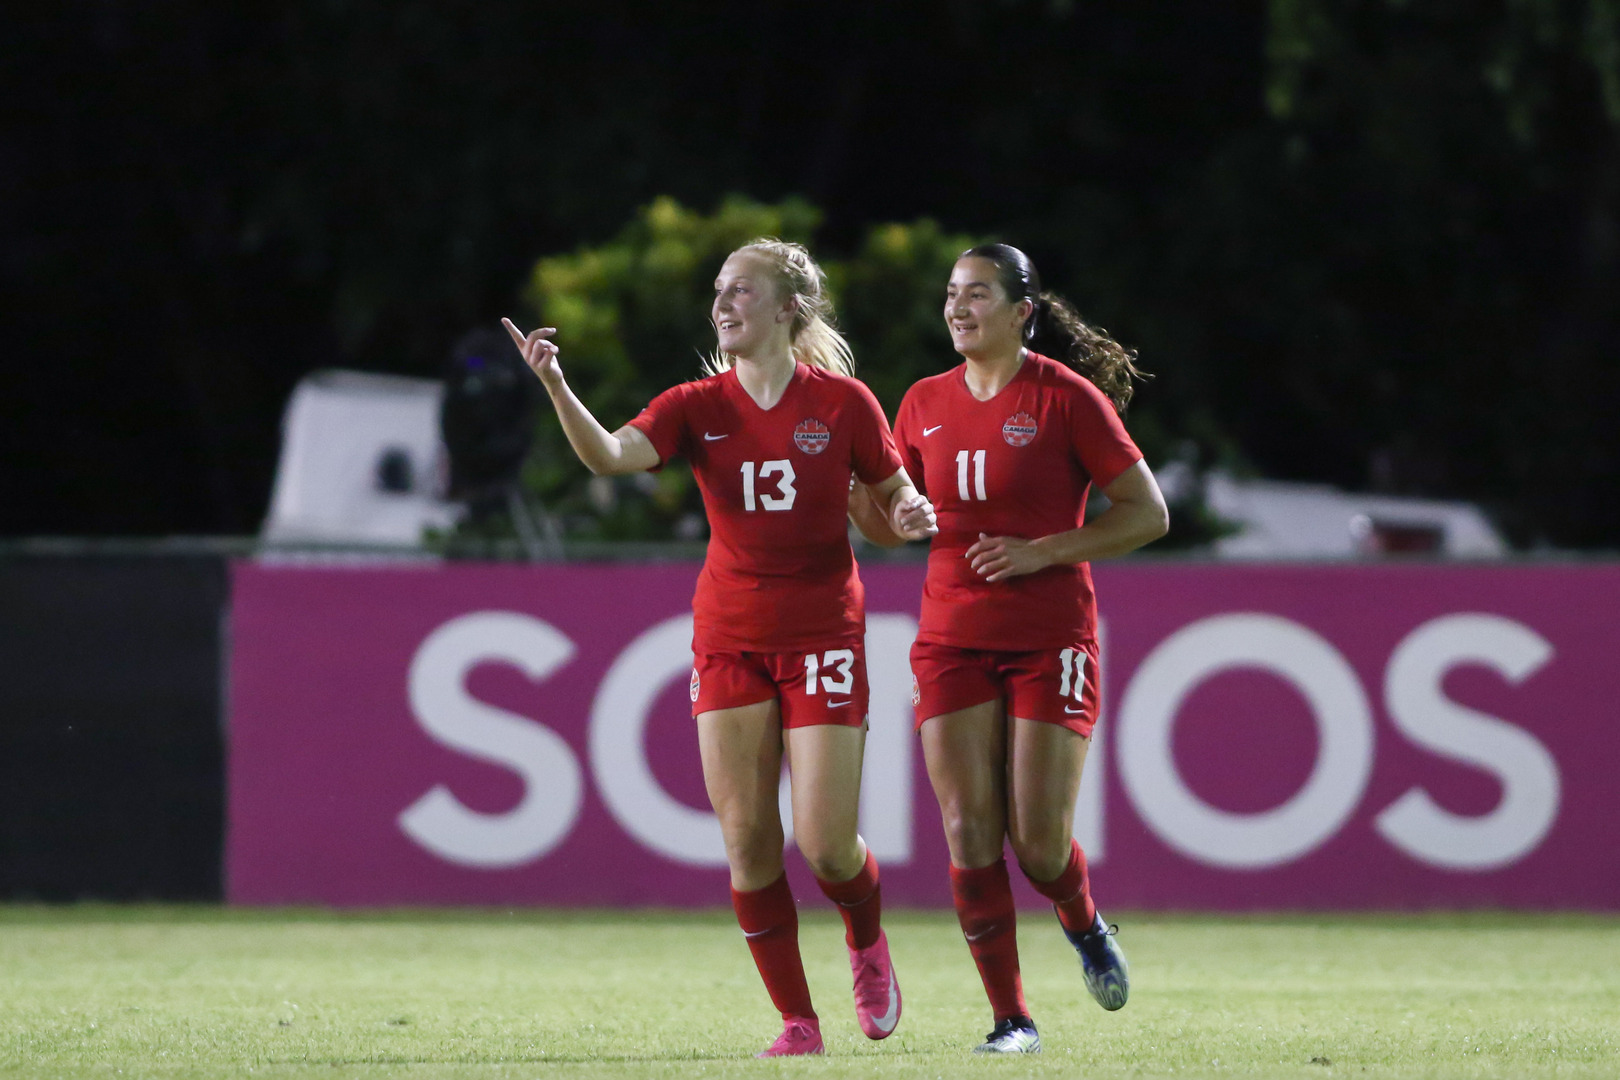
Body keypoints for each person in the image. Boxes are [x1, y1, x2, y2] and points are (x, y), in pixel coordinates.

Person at [503, 238, 936, 1058]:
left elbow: (892, 491)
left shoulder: (843, 403)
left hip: (822, 636)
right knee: (746, 840)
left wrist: (912, 511)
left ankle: (867, 943)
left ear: (787, 309)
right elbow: (609, 454)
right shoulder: (694, 405)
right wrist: (557, 386)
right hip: (730, 638)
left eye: (743, 290)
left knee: (827, 844)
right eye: (719, 290)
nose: (724, 303)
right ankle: (798, 1024)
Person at [887, 243, 1169, 1054]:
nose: (959, 307)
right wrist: (891, 519)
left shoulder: (1065, 398)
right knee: (968, 830)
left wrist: (1044, 550)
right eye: (951, 293)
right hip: (950, 640)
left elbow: (1147, 513)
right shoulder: (922, 402)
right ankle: (1014, 1020)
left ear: (1022, 313)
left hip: (1049, 640)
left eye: (978, 294)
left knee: (1040, 846)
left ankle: (1081, 921)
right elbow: (881, 510)